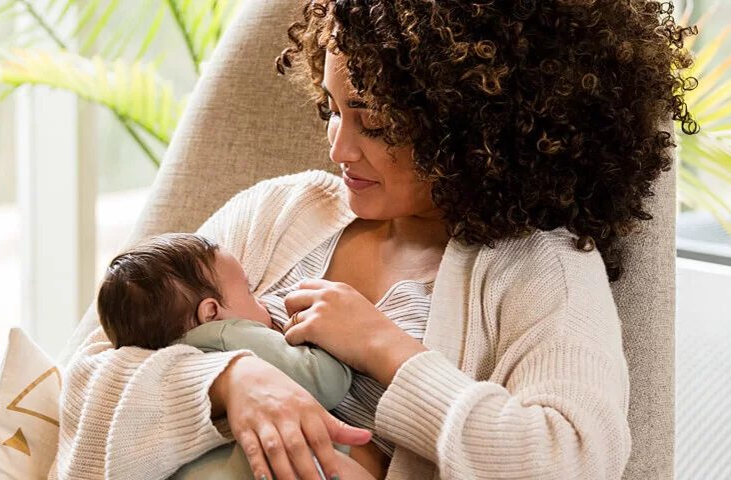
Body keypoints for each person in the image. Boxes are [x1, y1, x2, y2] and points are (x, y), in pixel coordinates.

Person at [53, 0, 693, 478]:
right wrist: (229, 380)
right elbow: (84, 382)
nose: (337, 146)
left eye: (375, 119)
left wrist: (385, 348)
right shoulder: (280, 211)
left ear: (474, 124)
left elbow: (572, 457)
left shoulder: (541, 270)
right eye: (332, 108)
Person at [87, 232, 375, 478]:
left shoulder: (157, 357)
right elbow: (323, 382)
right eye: (249, 293)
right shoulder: (232, 334)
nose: (262, 300)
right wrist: (331, 337)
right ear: (211, 311)